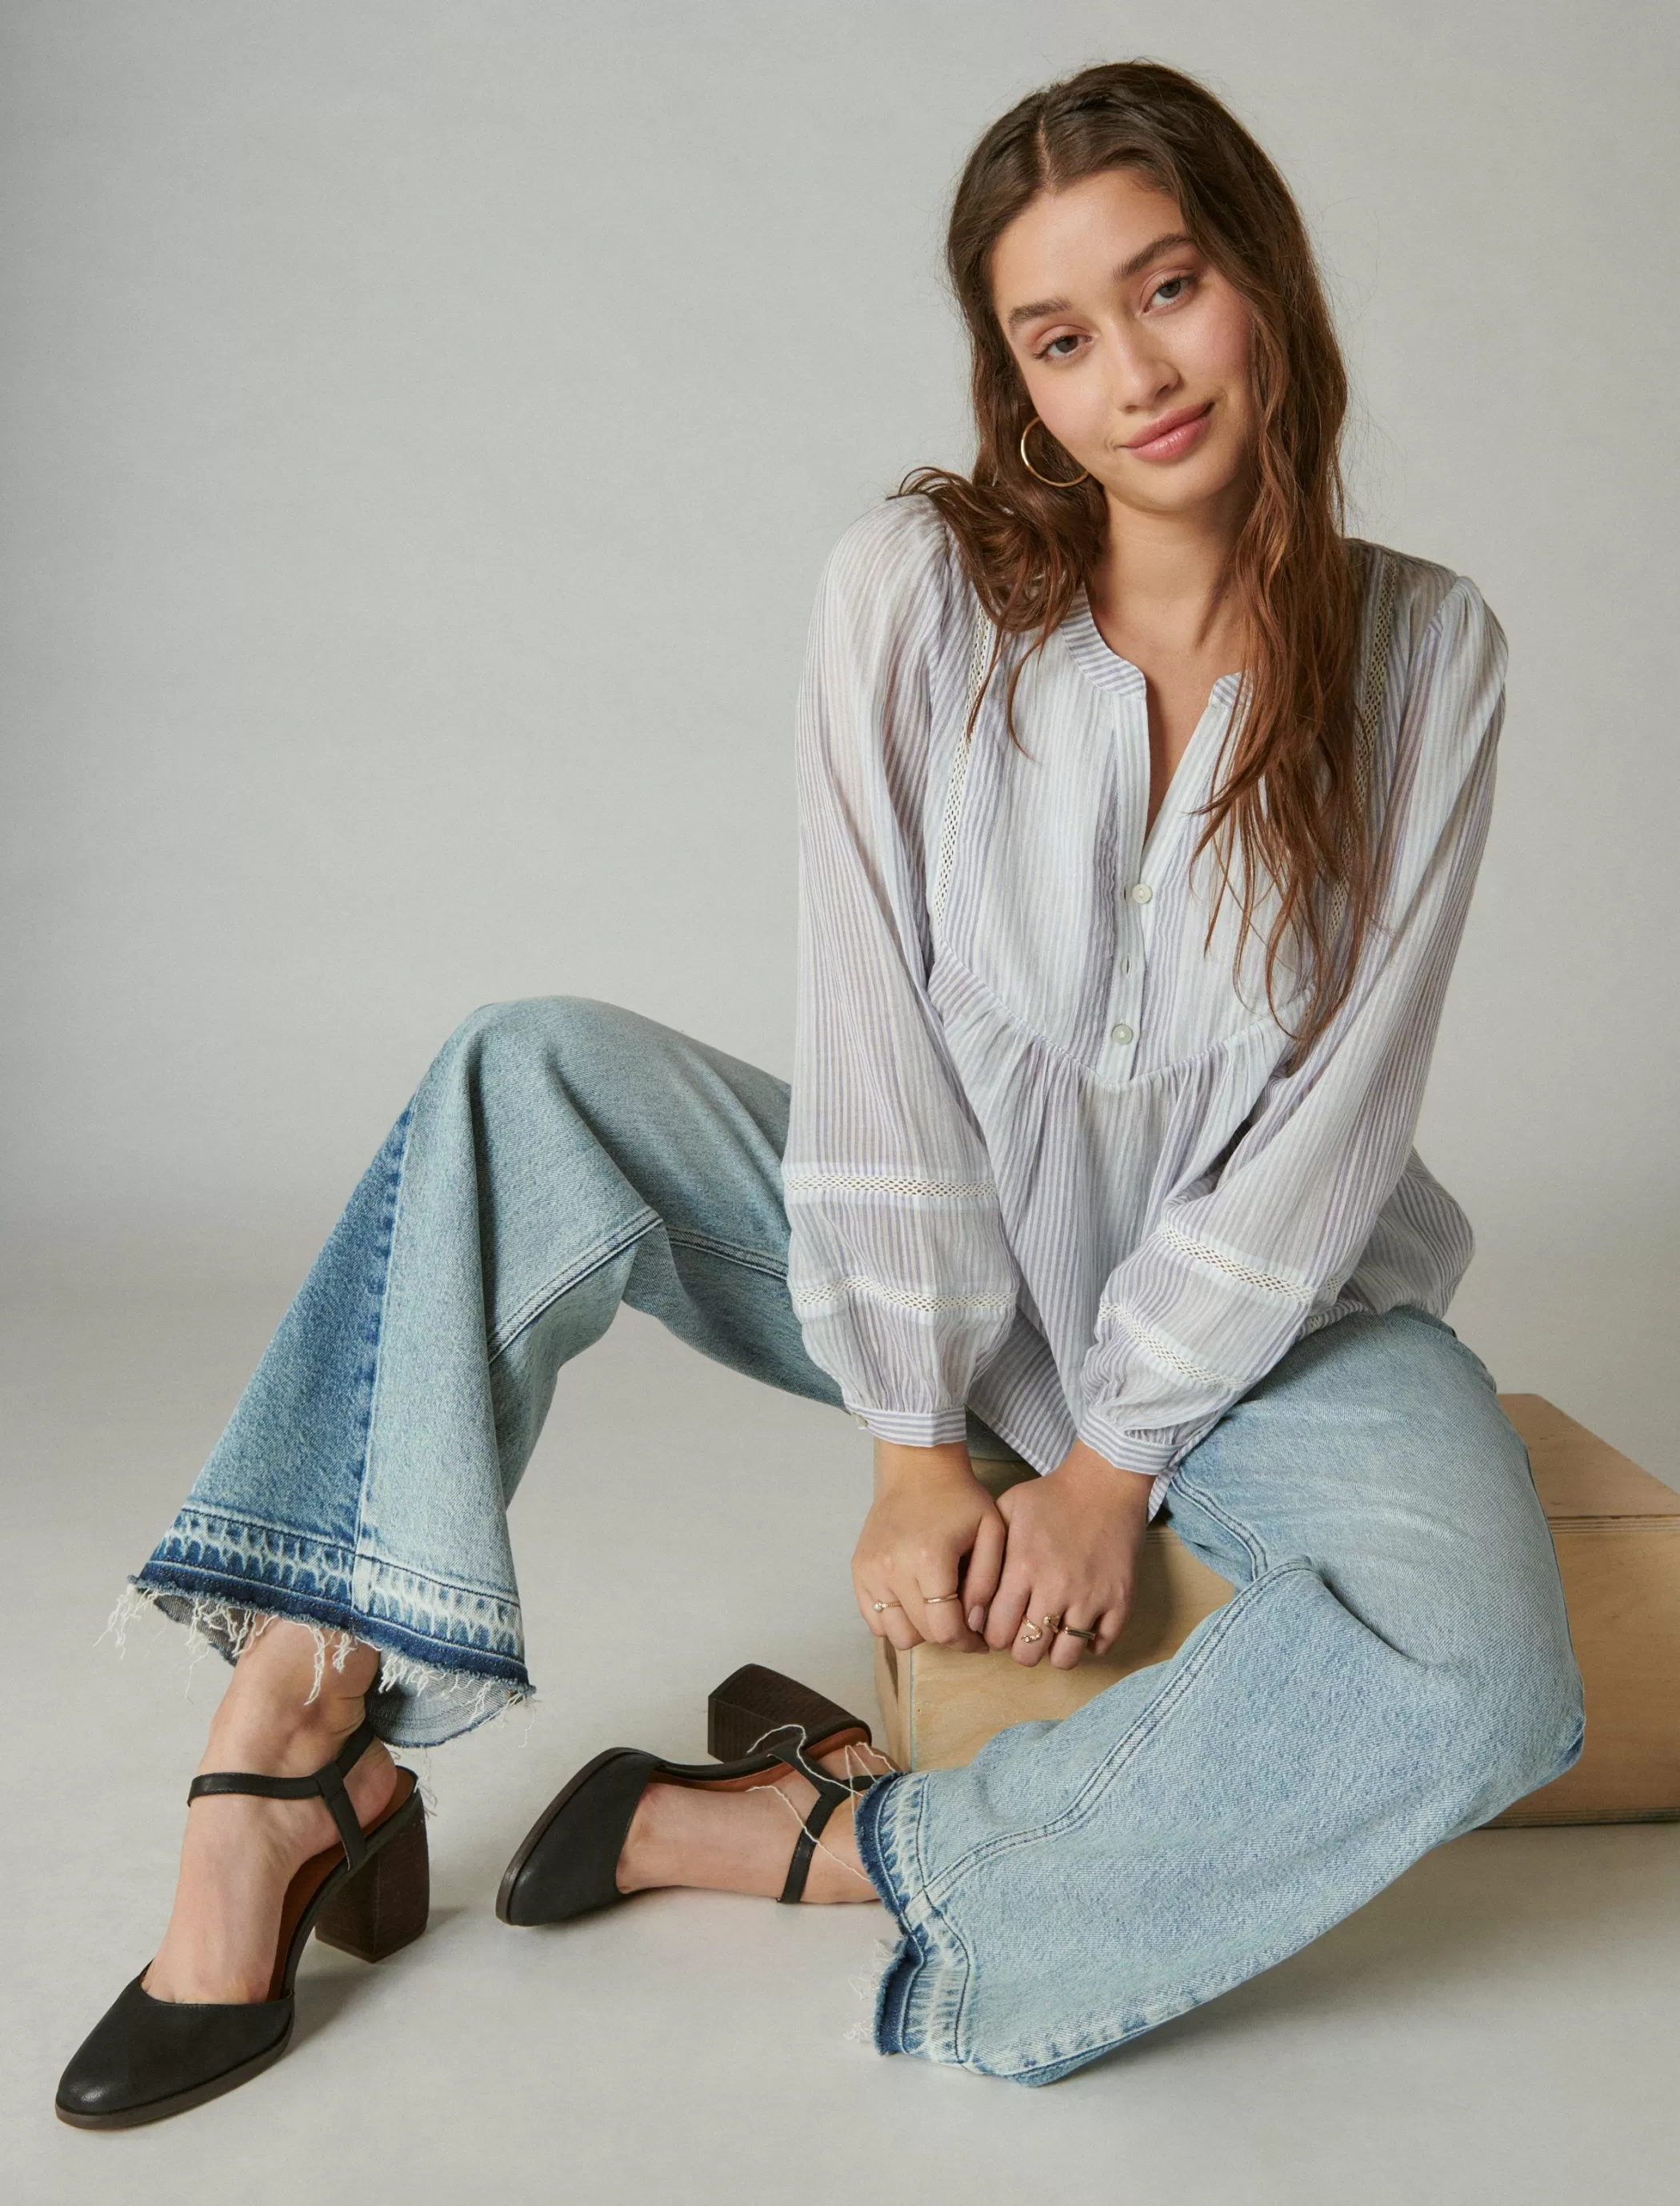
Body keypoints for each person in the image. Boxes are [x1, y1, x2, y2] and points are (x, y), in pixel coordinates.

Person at [56, 58, 1583, 2119]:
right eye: (1061, 336)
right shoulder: (919, 591)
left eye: (1171, 287)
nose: (1134, 371)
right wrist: (912, 1446)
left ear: (1266, 288)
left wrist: (1109, 1468)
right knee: (524, 1075)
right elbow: (869, 1035)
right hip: (924, 1272)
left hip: (1271, 1330)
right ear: (1013, 382)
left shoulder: (1431, 655)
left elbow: (1337, 1123)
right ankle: (290, 1751)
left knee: (1493, 1668)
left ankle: (792, 1835)